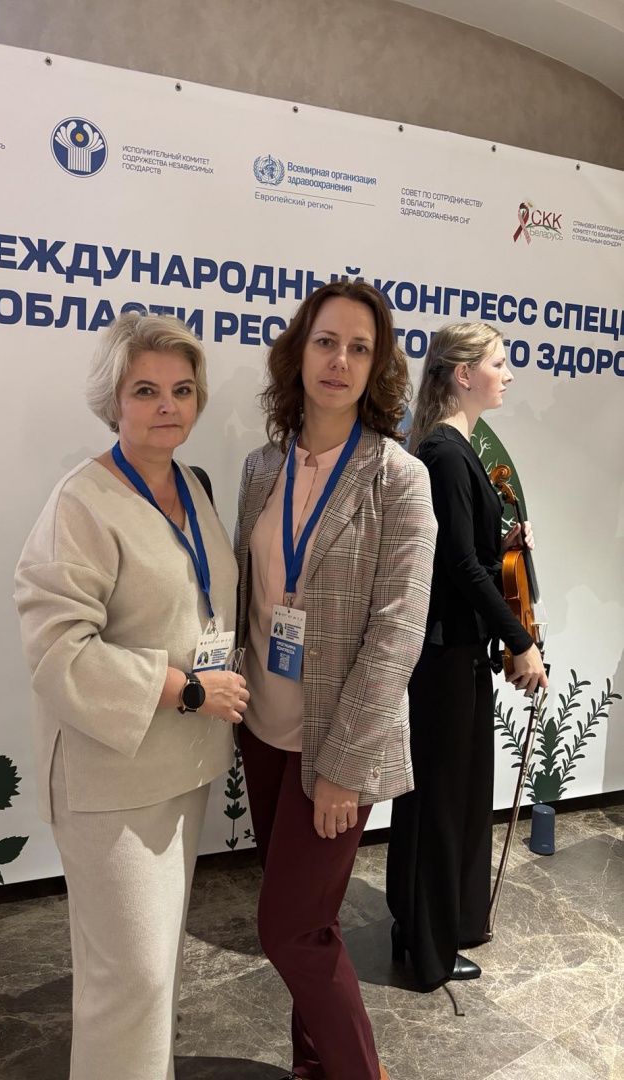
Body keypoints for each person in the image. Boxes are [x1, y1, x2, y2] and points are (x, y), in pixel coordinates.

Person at [14, 312, 249, 1080]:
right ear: (112, 400)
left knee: (155, 974)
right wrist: (188, 690)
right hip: (109, 779)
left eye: (182, 389)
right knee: (132, 981)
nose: (167, 406)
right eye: (145, 390)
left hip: (183, 767)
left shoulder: (192, 487)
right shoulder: (81, 503)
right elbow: (58, 651)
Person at [235, 281, 437, 1080]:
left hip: (338, 744)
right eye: (326, 341)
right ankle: (312, 1066)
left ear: (377, 366)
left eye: (360, 347)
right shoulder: (261, 468)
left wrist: (344, 767)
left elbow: (397, 635)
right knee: (309, 924)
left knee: (289, 930)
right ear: (299, 351)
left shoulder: (399, 478)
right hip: (262, 730)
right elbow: (245, 594)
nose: (340, 360)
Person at [386, 322, 548, 989]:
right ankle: (429, 948)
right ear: (462, 374)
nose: (507, 375)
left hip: (453, 651)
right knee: (442, 798)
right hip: (446, 653)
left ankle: (418, 927)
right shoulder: (448, 454)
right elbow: (458, 565)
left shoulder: (450, 450)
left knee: (442, 794)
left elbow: (466, 551)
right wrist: (521, 639)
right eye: (498, 363)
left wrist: (503, 541)